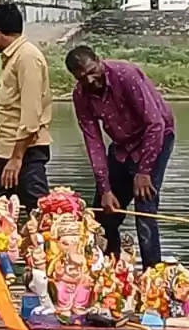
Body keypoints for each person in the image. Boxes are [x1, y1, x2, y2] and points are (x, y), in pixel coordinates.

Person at [65, 45, 176, 269]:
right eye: (82, 77)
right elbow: (93, 142)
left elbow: (155, 124)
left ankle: (151, 273)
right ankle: (107, 268)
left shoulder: (125, 75)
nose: (89, 80)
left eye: (91, 71)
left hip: (154, 138)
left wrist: (144, 171)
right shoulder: (81, 95)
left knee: (145, 208)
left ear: (98, 59)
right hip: (122, 146)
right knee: (103, 213)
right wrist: (104, 188)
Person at [0, 3, 52, 212]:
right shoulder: (13, 57)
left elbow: (31, 114)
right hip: (12, 149)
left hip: (26, 152)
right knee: (1, 213)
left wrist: (16, 158)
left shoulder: (27, 57)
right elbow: (11, 110)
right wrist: (1, 155)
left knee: (37, 211)